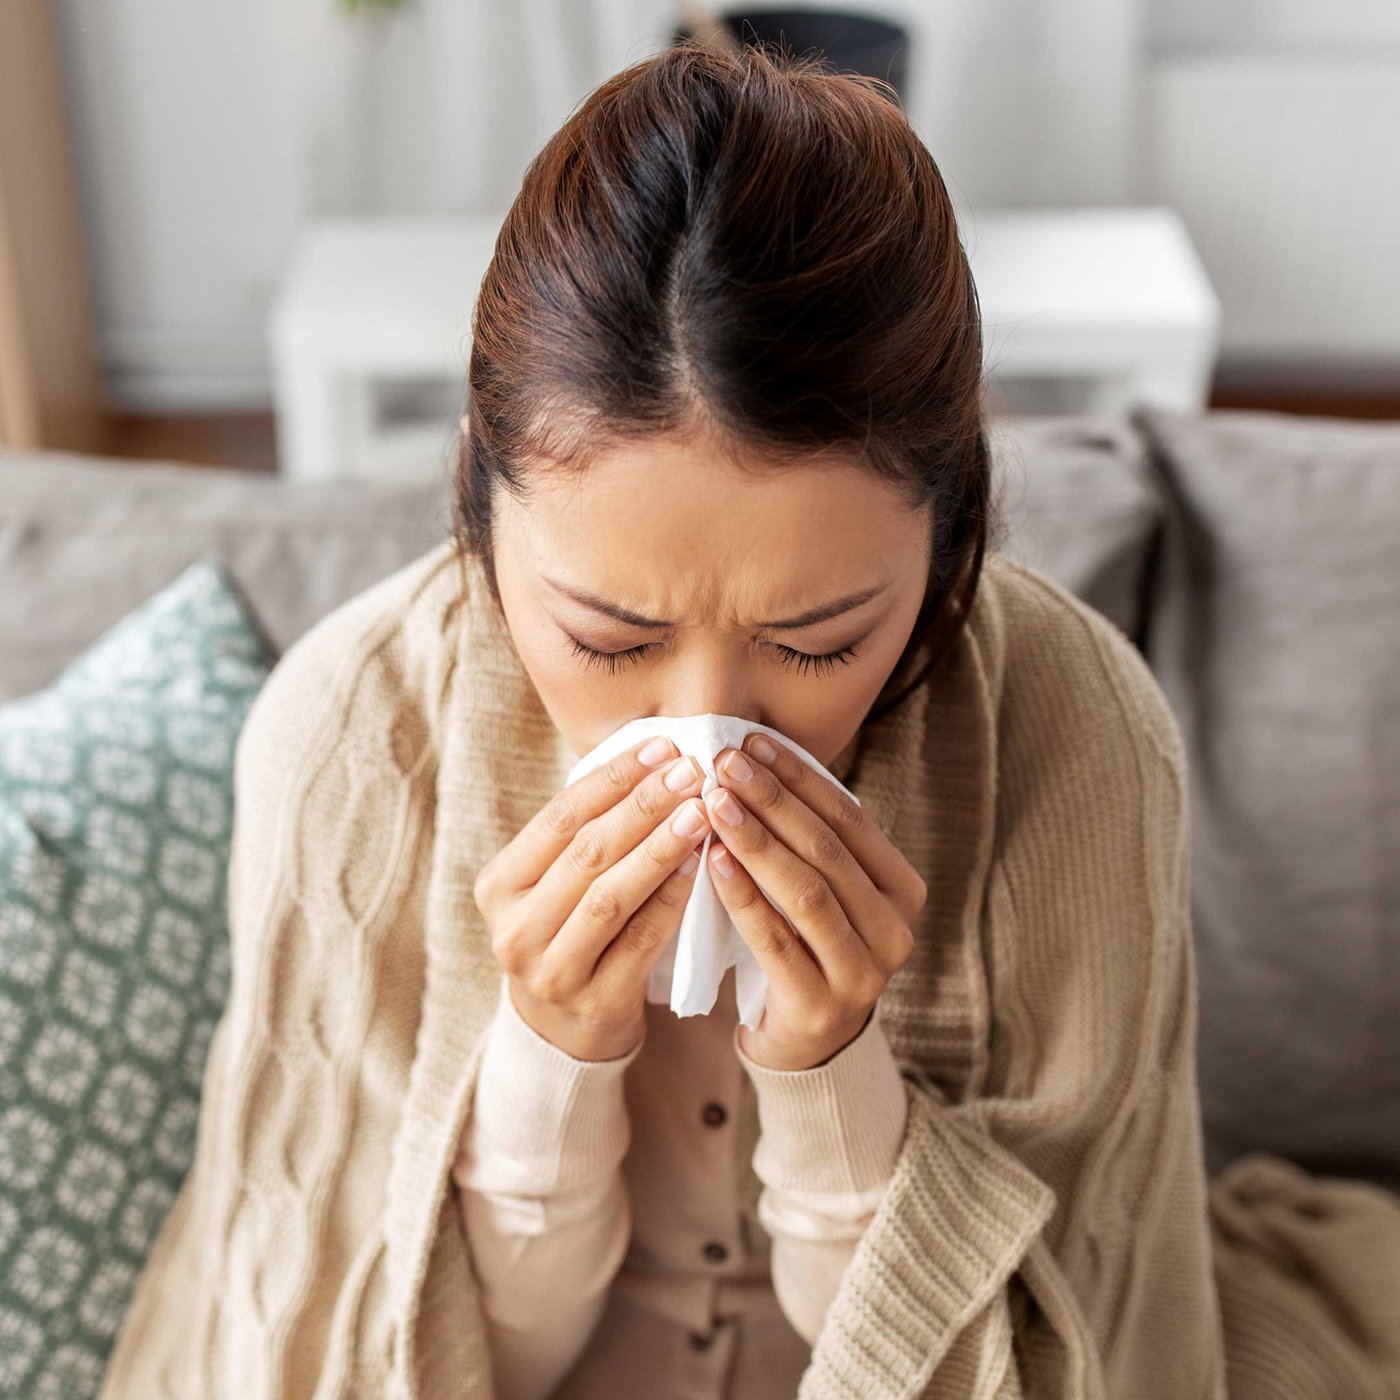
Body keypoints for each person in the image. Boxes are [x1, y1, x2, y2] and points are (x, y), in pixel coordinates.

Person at [99, 37, 1400, 1400]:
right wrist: (548, 1055)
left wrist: (835, 1079)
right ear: (480, 515)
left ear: (952, 539)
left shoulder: (1078, 737)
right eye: (609, 638)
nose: (709, 723)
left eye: (817, 640)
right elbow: (367, 1362)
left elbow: (1056, 1357)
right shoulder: (351, 732)